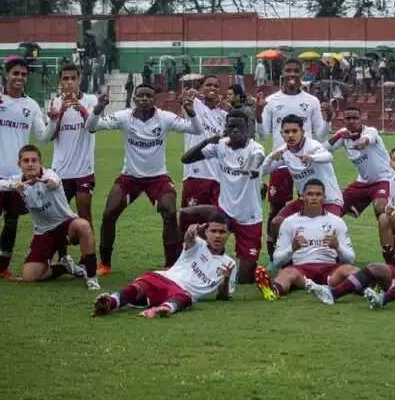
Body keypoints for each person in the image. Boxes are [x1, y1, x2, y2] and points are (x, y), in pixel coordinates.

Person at [85, 83, 203, 273]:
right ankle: (105, 263)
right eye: (140, 96)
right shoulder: (124, 117)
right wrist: (99, 107)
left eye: (148, 96)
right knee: (109, 214)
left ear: (154, 99)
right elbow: (91, 127)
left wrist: (190, 112)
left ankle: (171, 264)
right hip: (130, 177)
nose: (144, 99)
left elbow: (197, 130)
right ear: (134, 99)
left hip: (157, 177)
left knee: (170, 213)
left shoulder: (165, 118)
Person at [0, 145, 101, 289]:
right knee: (29, 277)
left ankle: (91, 277)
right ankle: (64, 267)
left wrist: (50, 183)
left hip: (66, 225)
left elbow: (54, 181)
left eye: (34, 160)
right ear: (19, 164)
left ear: (41, 163)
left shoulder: (49, 175)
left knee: (83, 225)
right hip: (43, 232)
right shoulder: (17, 181)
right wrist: (13, 186)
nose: (30, 164)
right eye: (26, 161)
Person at [0, 56, 49, 283]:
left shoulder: (31, 105)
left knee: (12, 221)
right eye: (15, 73)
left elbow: (44, 137)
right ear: (6, 75)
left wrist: (54, 120)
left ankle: (3, 269)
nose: (19, 78)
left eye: (23, 74)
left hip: (19, 176)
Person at [179, 111, 266, 285]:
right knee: (185, 213)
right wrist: (206, 141)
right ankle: (190, 258)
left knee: (244, 279)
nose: (234, 131)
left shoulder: (255, 148)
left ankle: (232, 264)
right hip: (224, 212)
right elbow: (186, 159)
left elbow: (258, 158)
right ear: (225, 128)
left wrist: (252, 168)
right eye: (230, 126)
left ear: (247, 129)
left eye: (238, 127)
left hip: (249, 218)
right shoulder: (220, 146)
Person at [91, 218, 237, 319]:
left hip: (181, 291)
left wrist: (225, 279)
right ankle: (111, 301)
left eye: (222, 232)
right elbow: (188, 239)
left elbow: (223, 297)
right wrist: (190, 231)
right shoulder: (197, 244)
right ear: (206, 232)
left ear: (229, 234)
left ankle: (163, 309)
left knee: (186, 298)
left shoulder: (229, 264)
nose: (217, 236)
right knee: (138, 287)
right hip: (164, 277)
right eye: (213, 231)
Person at [255, 59, 327, 254]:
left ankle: (309, 250)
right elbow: (262, 134)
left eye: (296, 71)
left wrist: (327, 119)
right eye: (289, 71)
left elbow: (320, 135)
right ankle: (273, 254)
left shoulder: (311, 101)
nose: (292, 74)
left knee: (309, 207)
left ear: (302, 73)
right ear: (283, 73)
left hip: (307, 164)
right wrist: (258, 113)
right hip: (281, 163)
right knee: (276, 209)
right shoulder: (271, 101)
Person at [253, 179, 356, 301]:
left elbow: (351, 259)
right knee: (287, 273)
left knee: (350, 270)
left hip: (331, 269)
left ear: (324, 197)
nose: (314, 198)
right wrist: (292, 248)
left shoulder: (336, 222)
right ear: (302, 196)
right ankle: (273, 291)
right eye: (310, 194)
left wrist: (337, 246)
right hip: (301, 271)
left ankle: (370, 287)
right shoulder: (289, 222)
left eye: (318, 194)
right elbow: (277, 260)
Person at [43, 61, 100, 275]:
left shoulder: (91, 100)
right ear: (60, 81)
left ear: (79, 79)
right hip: (60, 171)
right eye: (65, 79)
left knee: (85, 213)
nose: (69, 83)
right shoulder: (55, 103)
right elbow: (47, 138)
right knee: (57, 216)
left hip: (84, 169)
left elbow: (93, 127)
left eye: (72, 78)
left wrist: (80, 107)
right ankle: (63, 257)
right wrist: (56, 117)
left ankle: (88, 260)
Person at [262, 115, 342, 263]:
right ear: (281, 134)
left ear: (302, 132)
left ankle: (335, 260)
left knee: (328, 229)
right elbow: (263, 170)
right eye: (287, 132)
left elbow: (328, 156)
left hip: (329, 198)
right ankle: (276, 258)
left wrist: (312, 158)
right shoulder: (283, 151)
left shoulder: (312, 146)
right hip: (304, 199)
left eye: (294, 131)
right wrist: (271, 157)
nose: (291, 135)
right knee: (276, 222)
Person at [323, 107, 394, 249]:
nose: (352, 121)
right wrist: (336, 137)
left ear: (361, 119)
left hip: (383, 179)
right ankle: (325, 249)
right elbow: (322, 148)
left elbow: (366, 141)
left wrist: (360, 141)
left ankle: (391, 252)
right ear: (344, 120)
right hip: (363, 181)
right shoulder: (343, 136)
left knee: (381, 208)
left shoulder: (370, 131)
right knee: (334, 208)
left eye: (355, 118)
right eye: (348, 118)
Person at [180, 76, 229, 211]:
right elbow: (184, 99)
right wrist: (189, 94)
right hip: (196, 173)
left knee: (214, 223)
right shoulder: (194, 104)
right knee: (191, 221)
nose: (212, 88)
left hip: (218, 176)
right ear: (201, 88)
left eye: (216, 86)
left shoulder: (224, 115)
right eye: (208, 85)